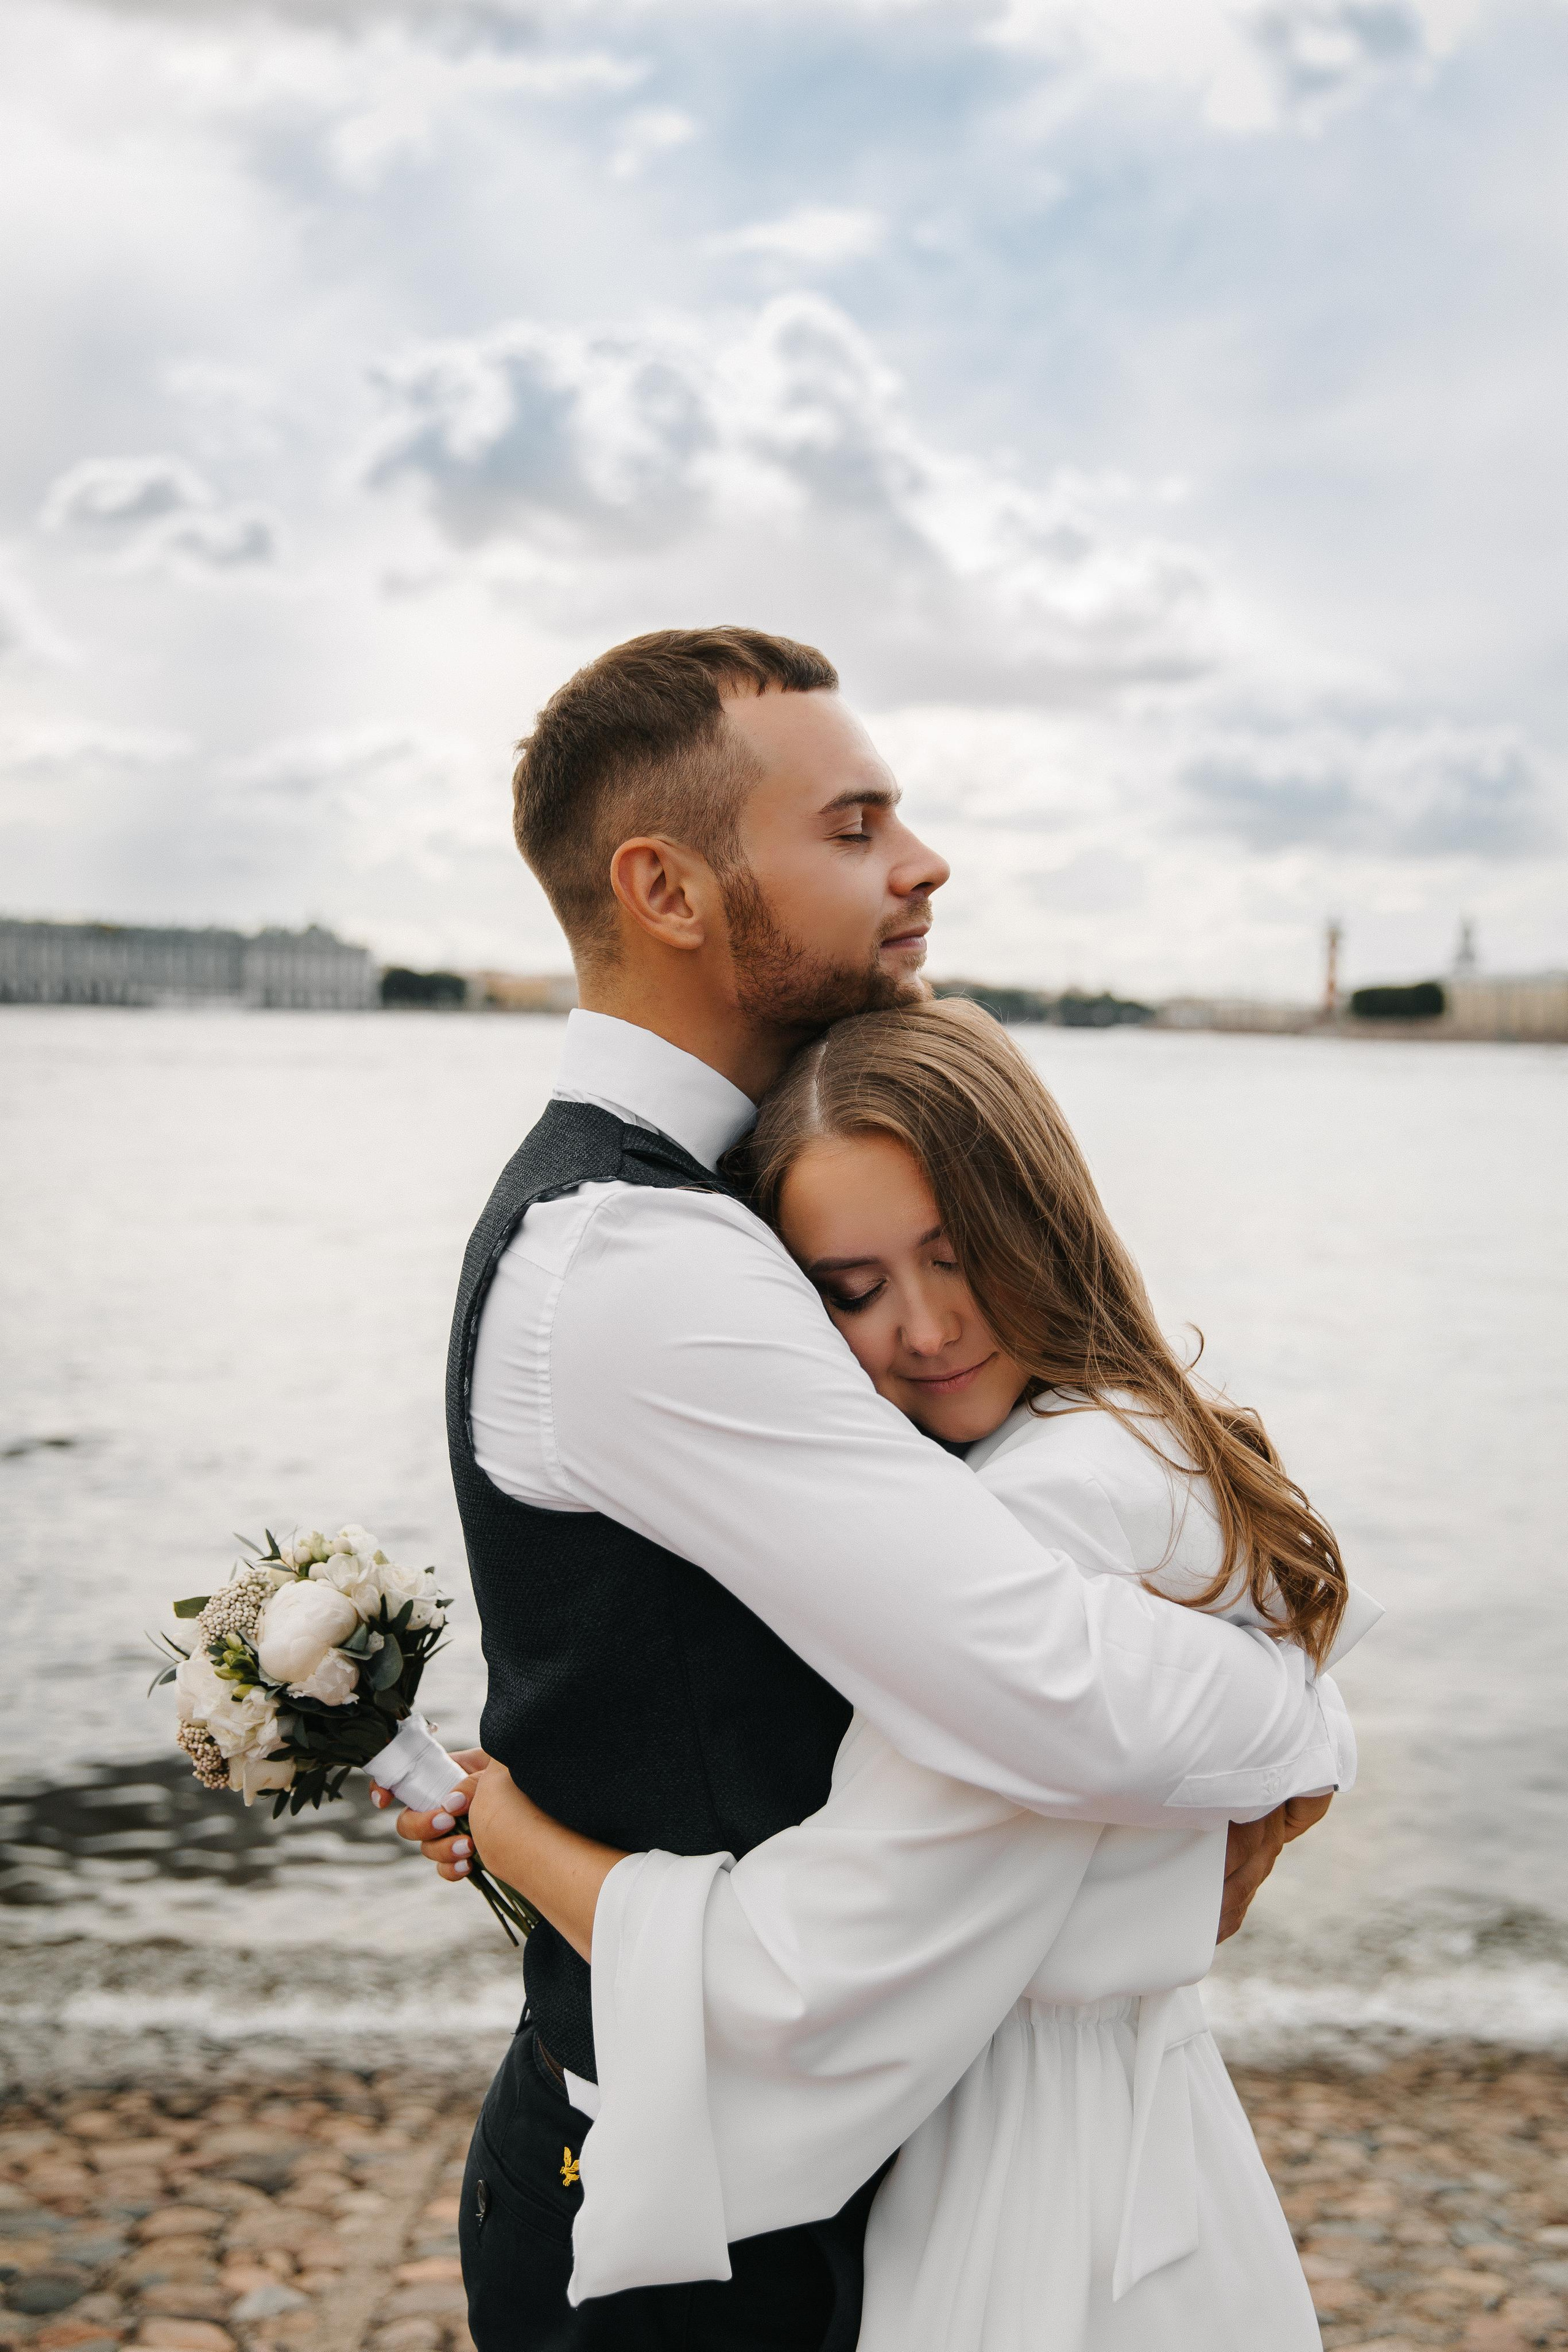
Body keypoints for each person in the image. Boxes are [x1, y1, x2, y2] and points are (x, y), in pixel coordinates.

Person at [381, 628, 1357, 2352]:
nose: (923, 865)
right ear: (666, 886)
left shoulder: (704, 1206)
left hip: (769, 2164)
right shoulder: (638, 1256)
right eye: (852, 829)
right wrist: (1303, 1716)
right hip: (696, 2219)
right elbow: (1047, 1689)